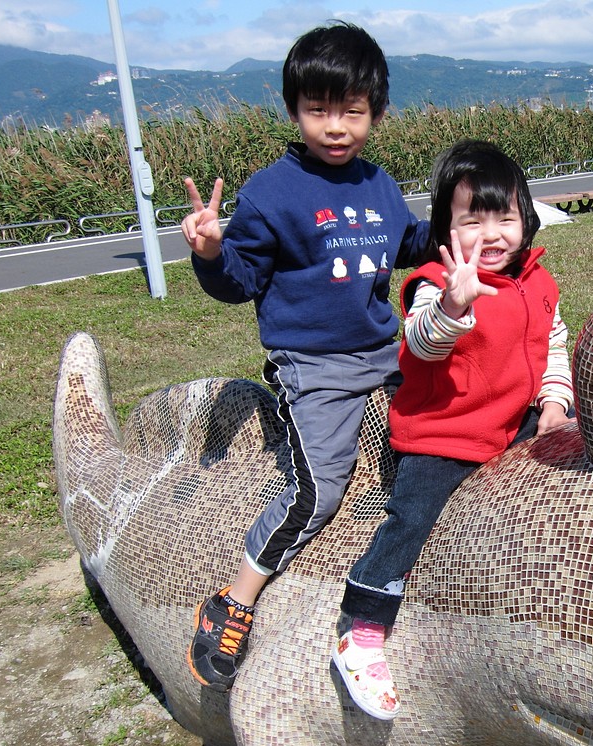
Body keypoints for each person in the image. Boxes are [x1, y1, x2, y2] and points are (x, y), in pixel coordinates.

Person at [180, 22, 431, 692]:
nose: (336, 126)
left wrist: (466, 223)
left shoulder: (378, 185)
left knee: (448, 434)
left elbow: (407, 242)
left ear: (376, 112)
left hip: (384, 351)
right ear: (294, 110)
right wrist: (211, 252)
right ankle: (234, 599)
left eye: (352, 111)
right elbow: (239, 281)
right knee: (318, 492)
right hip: (314, 366)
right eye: (319, 110)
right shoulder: (272, 192)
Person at [332, 139, 576, 719]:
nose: (491, 235)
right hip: (443, 433)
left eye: (504, 218)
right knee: (411, 519)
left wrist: (554, 403)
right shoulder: (434, 283)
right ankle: (362, 629)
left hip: (512, 420)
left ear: (526, 219)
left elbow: (552, 346)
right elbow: (420, 344)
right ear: (446, 226)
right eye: (472, 220)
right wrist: (452, 307)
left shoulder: (538, 282)